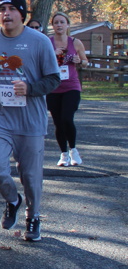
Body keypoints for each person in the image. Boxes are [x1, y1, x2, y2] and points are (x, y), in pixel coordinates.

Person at [0, 0, 60, 242]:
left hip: (29, 119)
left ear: (22, 14)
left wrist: (30, 88)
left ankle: (33, 216)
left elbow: (53, 79)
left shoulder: (40, 41)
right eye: (2, 10)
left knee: (30, 176)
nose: (6, 14)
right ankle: (12, 200)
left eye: (12, 9)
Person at [47, 12, 88, 167]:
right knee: (58, 122)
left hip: (71, 86)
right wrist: (52, 54)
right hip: (53, 87)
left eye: (62, 22)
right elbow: (40, 62)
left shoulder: (75, 42)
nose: (59, 25)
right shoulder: (47, 42)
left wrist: (80, 61)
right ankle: (63, 154)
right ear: (53, 25)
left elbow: (85, 62)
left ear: (67, 25)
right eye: (56, 22)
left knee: (67, 118)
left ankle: (73, 150)